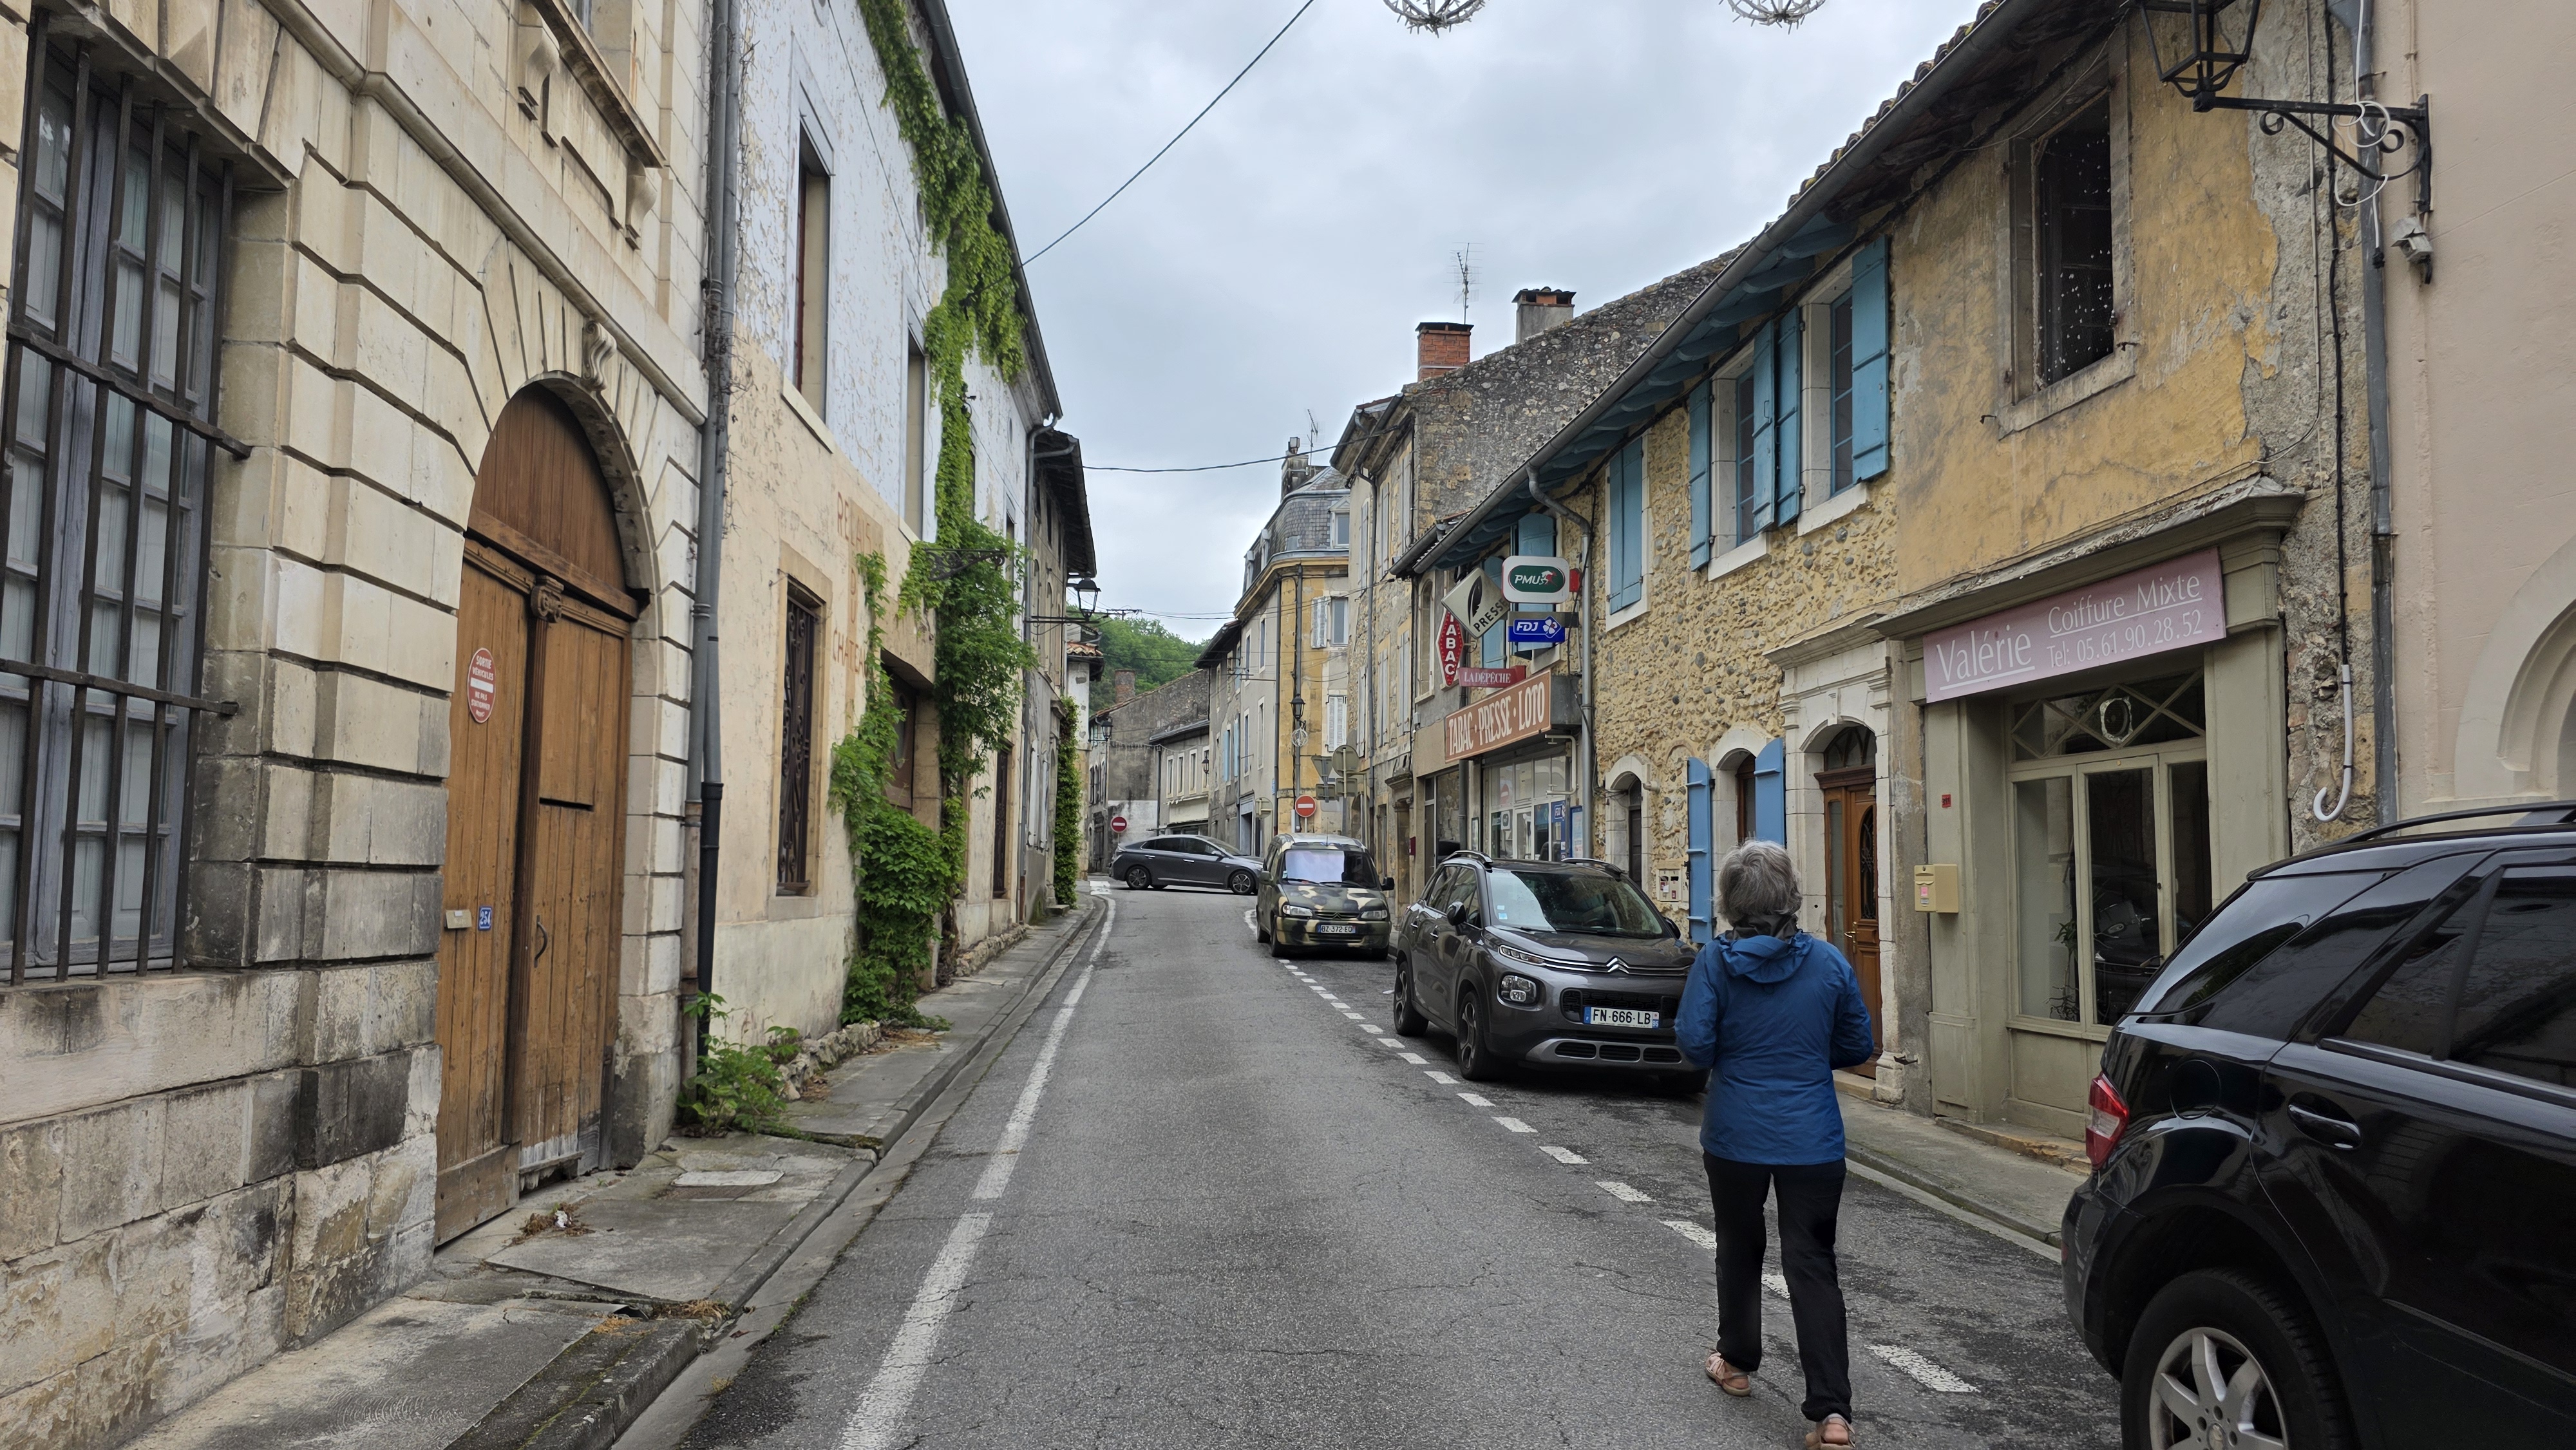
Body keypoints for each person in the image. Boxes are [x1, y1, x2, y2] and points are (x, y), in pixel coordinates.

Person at [1675, 840, 1876, 1448]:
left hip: (1735, 1134)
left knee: (1739, 1248)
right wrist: (1805, 1058)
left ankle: (1736, 1362)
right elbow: (1857, 1045)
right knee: (1812, 1263)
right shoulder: (1830, 963)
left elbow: (1695, 1046)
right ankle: (1832, 1414)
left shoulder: (1715, 963)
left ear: (1730, 902)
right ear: (1792, 897)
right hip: (1813, 1139)